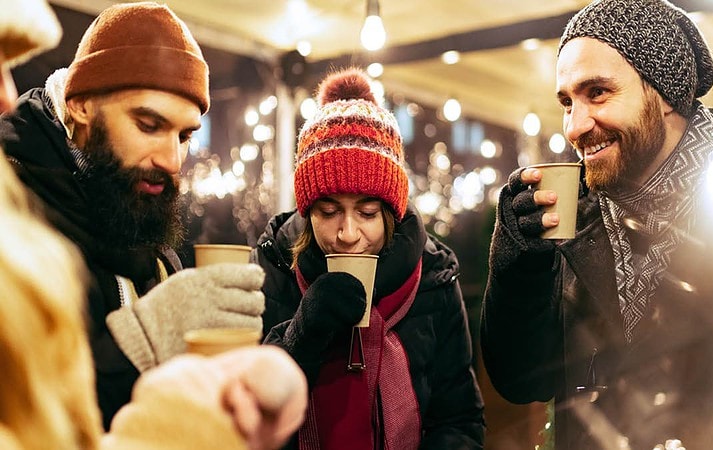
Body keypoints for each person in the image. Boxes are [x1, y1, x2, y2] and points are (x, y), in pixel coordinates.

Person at [481, 0, 713, 448]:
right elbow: (522, 380)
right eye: (567, 102)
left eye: (597, 93)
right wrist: (519, 268)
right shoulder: (577, 213)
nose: (575, 125)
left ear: (666, 92)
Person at [0, 2, 307, 449]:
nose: (171, 160)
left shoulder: (142, 229)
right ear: (80, 106)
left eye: (185, 136)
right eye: (148, 125)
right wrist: (138, 342)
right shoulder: (15, 223)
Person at [252, 68, 485, 449]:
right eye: (328, 212)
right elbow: (244, 420)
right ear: (307, 213)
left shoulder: (434, 278)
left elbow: (459, 419)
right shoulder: (273, 266)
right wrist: (302, 335)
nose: (347, 233)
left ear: (390, 213)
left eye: (367, 212)